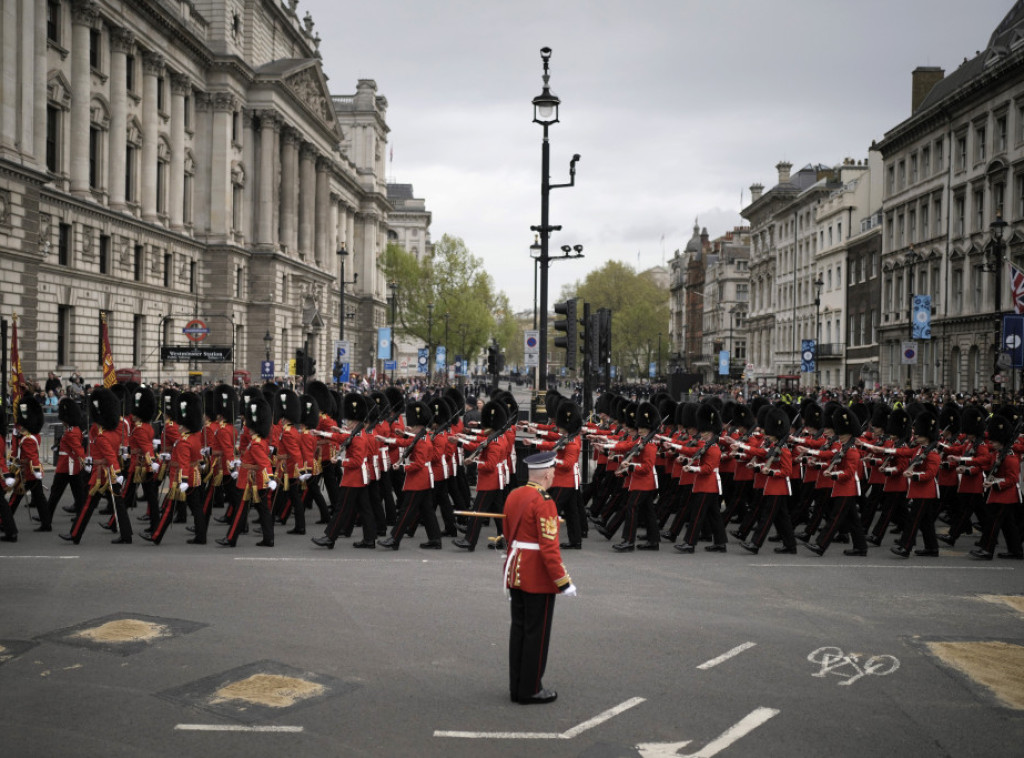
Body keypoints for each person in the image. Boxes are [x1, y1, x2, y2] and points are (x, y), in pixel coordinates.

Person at [504, 451, 577, 705]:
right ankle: (531, 688)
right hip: (537, 575)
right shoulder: (545, 501)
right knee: (537, 633)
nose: (554, 475)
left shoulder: (515, 494)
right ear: (547, 473)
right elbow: (549, 548)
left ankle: (517, 686)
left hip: (516, 570)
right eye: (553, 472)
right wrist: (563, 581)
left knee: (520, 630)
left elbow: (508, 531)